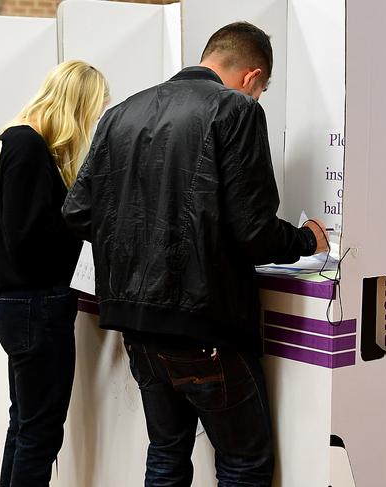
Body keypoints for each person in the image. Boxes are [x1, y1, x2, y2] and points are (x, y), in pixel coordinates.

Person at [62, 22, 329, 486]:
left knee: (166, 452)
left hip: (135, 323)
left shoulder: (120, 113)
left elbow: (78, 211)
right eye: (262, 89)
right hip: (207, 322)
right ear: (251, 77)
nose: (259, 97)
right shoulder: (237, 109)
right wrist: (308, 239)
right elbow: (255, 233)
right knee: (243, 463)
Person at [0, 60, 108, 487]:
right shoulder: (27, 147)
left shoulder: (8, 141)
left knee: (25, 424)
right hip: (38, 305)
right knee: (39, 433)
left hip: (19, 306)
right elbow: (28, 239)